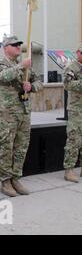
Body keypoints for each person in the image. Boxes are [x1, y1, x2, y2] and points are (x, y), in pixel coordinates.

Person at [0, 34, 43, 197]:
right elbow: (3, 76)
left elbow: (39, 82)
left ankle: (16, 178)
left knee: (21, 147)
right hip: (8, 113)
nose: (18, 47)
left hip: (24, 112)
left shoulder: (26, 66)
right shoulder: (0, 64)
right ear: (5, 48)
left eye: (19, 45)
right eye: (14, 45)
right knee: (7, 147)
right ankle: (5, 181)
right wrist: (21, 65)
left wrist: (31, 87)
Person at [62, 43, 82, 183]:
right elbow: (67, 84)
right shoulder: (71, 67)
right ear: (78, 53)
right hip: (76, 109)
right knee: (74, 139)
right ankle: (69, 170)